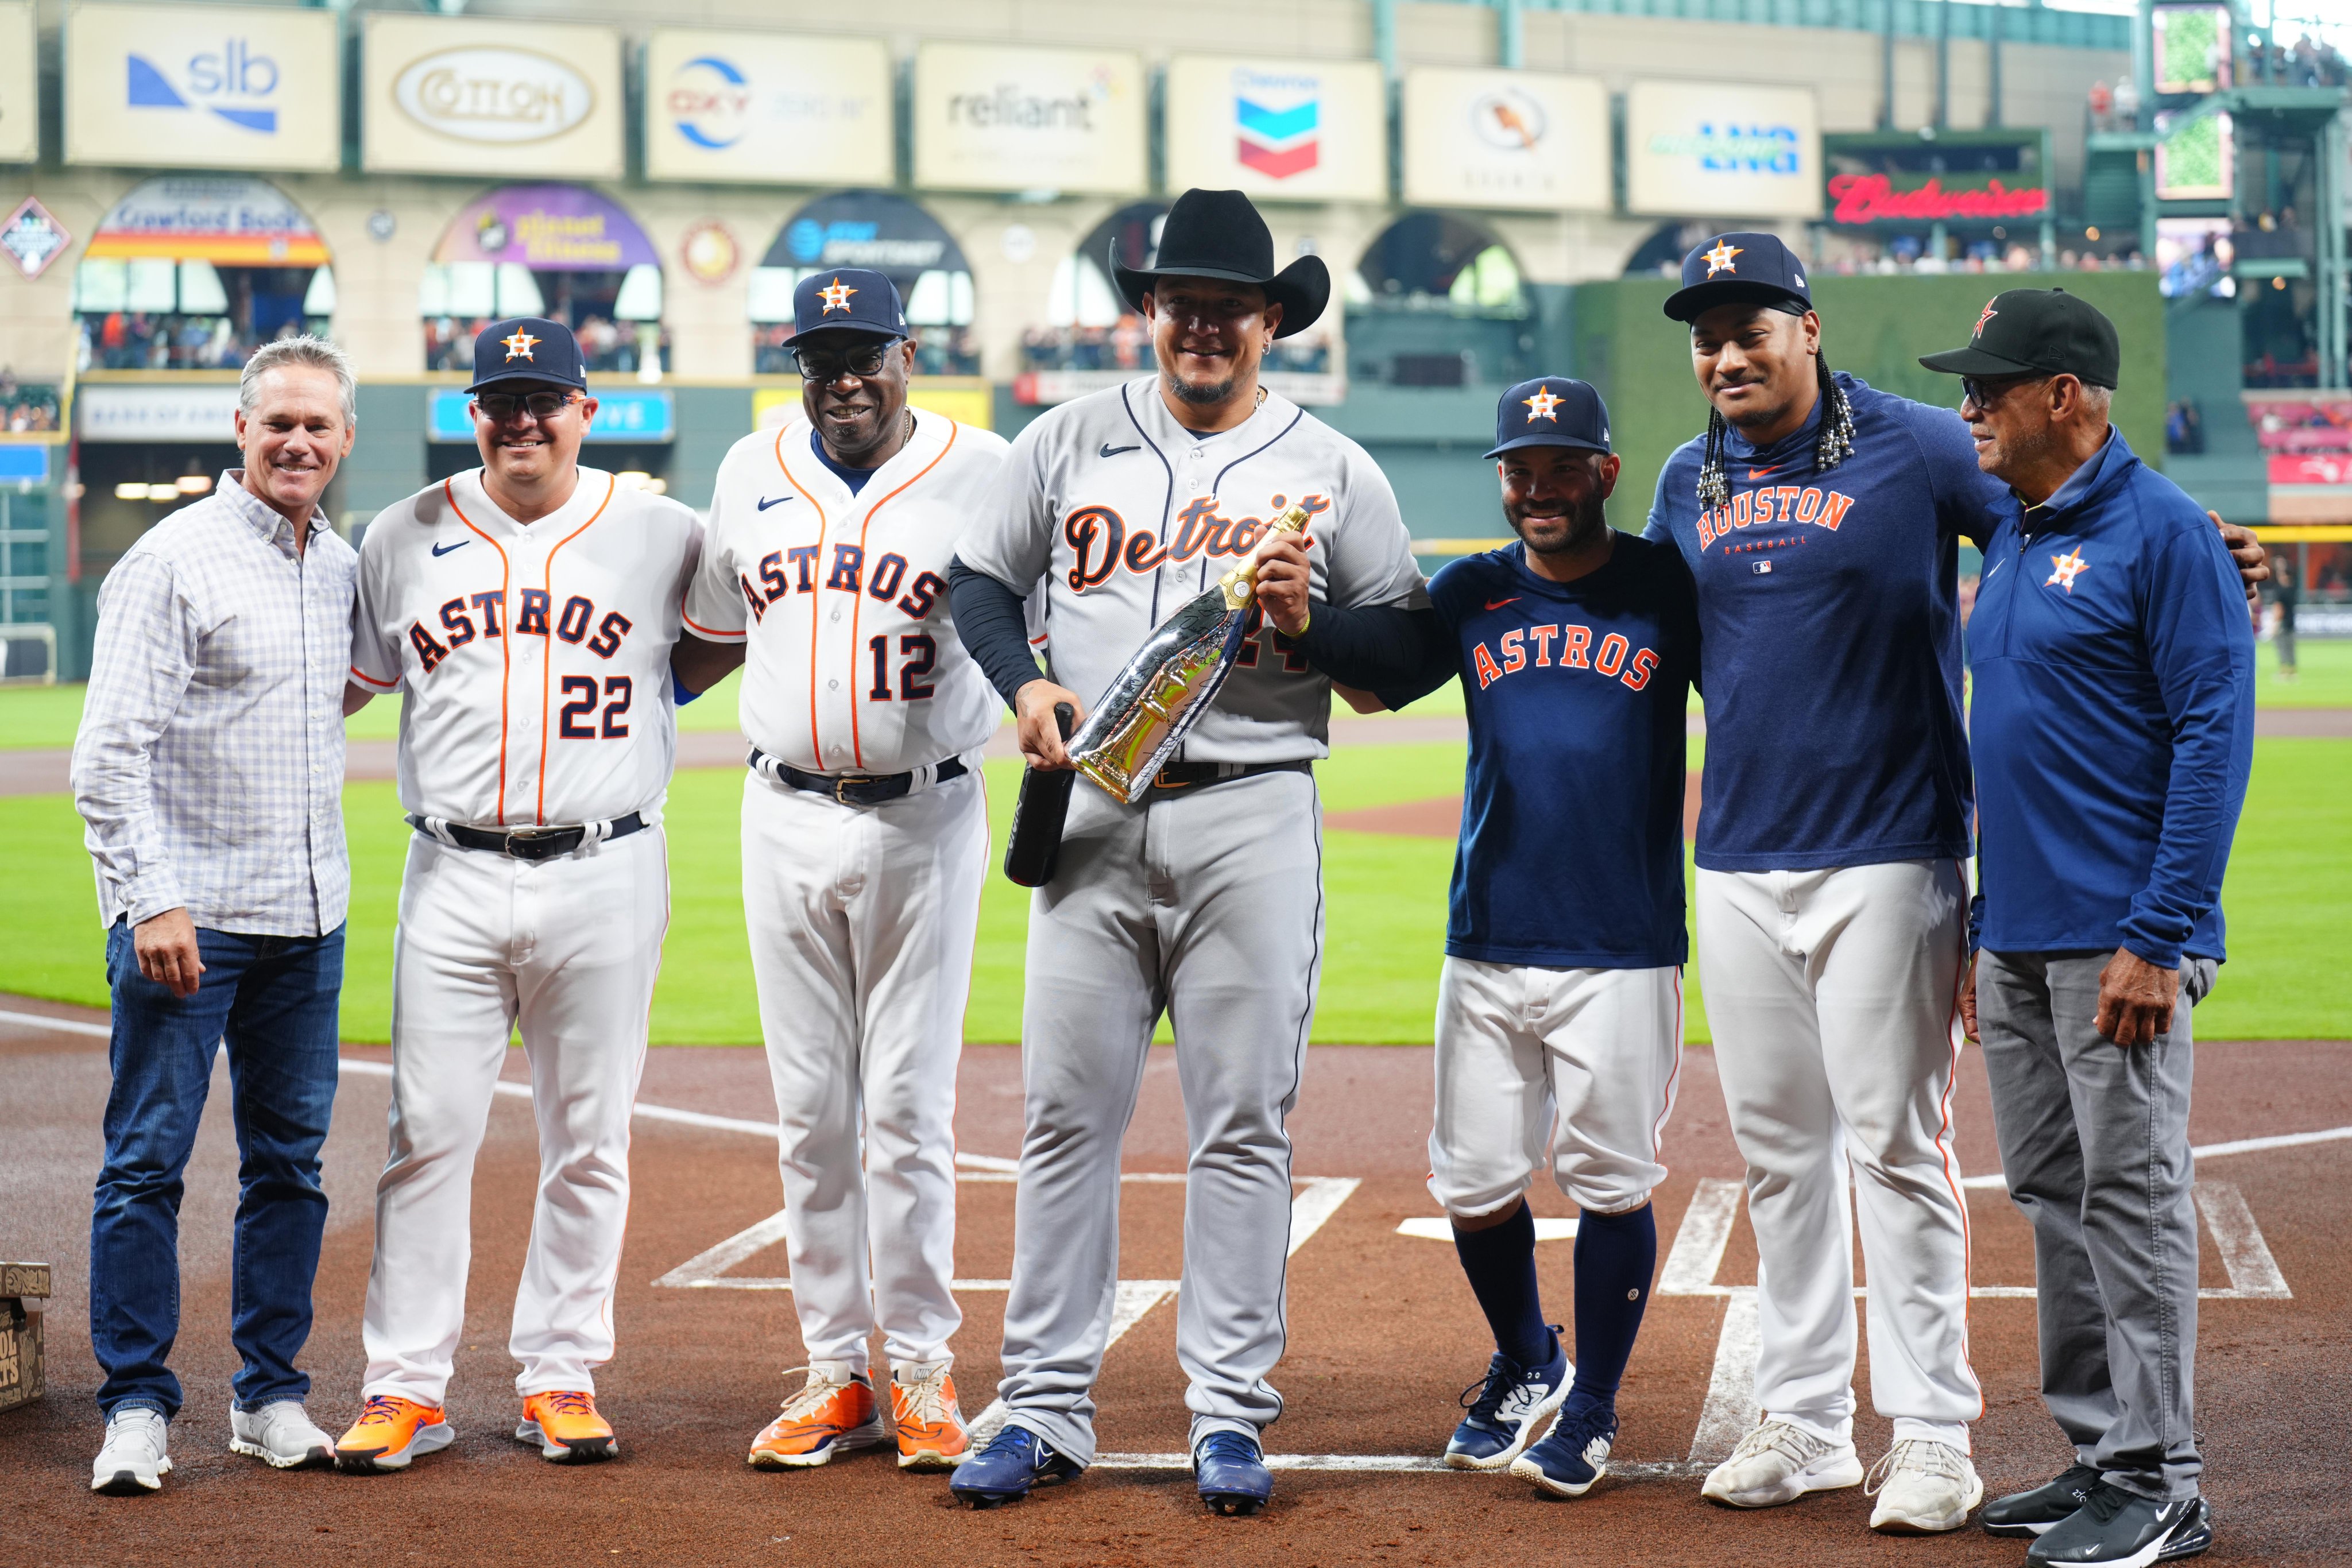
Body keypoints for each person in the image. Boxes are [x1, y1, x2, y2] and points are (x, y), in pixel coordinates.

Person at [1644, 239, 2269, 1538]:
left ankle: (1951, 1435)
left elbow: (2129, 571)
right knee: (1811, 1159)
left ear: (1807, 328)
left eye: (1750, 325)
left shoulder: (1927, 445)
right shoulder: (1682, 477)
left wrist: (2213, 546)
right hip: (1790, 865)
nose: (1725, 353)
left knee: (1910, 1149)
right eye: (1704, 335)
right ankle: (1815, 1420)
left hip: (1902, 850)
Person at [941, 187, 1424, 1515]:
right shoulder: (1064, 441)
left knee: (1242, 1120)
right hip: (1094, 812)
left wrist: (1316, 625)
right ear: (1148, 312)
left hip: (1253, 810)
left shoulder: (1333, 466)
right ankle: (1039, 1406)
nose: (1201, 324)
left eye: (1229, 306)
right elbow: (978, 580)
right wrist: (1021, 684)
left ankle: (1227, 1411)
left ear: (1271, 321)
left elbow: (1406, 658)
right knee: (1063, 1116)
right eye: (1180, 302)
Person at [1256, 378, 1697, 1499]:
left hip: (1621, 939)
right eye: (1518, 471)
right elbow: (1381, 670)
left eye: (1559, 469)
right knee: (1471, 1179)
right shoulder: (1474, 591)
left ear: (1602, 472)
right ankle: (1525, 1356)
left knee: (1608, 1178)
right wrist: (1303, 616)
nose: (1536, 489)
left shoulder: (1660, 585)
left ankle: (1589, 1402)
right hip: (1489, 933)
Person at [332, 318, 702, 1473]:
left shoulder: (661, 531)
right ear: (473, 413)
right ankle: (404, 1385)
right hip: (448, 867)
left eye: (545, 397)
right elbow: (349, 684)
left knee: (587, 1136)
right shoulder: (401, 535)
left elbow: (717, 647)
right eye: (501, 398)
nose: (522, 417)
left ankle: (559, 1371)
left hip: (607, 862)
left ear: (586, 411)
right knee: (423, 1135)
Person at [1927, 289, 2252, 1568]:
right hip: (2014, 932)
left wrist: (2160, 933)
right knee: (2054, 1197)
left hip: (2119, 937)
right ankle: (2097, 1456)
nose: (1969, 408)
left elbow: (2210, 740)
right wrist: (1979, 918)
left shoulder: (2163, 533)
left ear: (2064, 395)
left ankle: (2163, 1477)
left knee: (2129, 1197)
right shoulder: (2010, 528)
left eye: (1990, 387)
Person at [671, 270, 1009, 1472]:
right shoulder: (750, 467)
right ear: (798, 367)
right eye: (821, 357)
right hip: (780, 811)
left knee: (908, 1108)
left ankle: (919, 1367)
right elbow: (712, 631)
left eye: (864, 352)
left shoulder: (988, 468)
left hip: (926, 817)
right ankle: (835, 1372)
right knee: (812, 1113)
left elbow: (1039, 629)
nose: (844, 378)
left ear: (907, 354)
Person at [71, 336, 361, 1493]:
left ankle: (268, 1394)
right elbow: (106, 759)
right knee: (147, 1163)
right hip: (188, 921)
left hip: (308, 915)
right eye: (277, 422)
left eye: (319, 426)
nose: (298, 441)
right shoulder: (172, 559)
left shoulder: (338, 564)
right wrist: (152, 897)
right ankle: (137, 1405)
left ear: (343, 437)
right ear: (240, 430)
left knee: (289, 1164)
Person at [2269, 552, 2298, 679]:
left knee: (2281, 647)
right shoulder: (2292, 588)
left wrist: (2275, 624)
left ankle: (2284, 672)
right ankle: (2292, 671)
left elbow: (2278, 608)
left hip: (2282, 622)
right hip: (2291, 621)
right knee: (2291, 647)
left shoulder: (2280, 590)